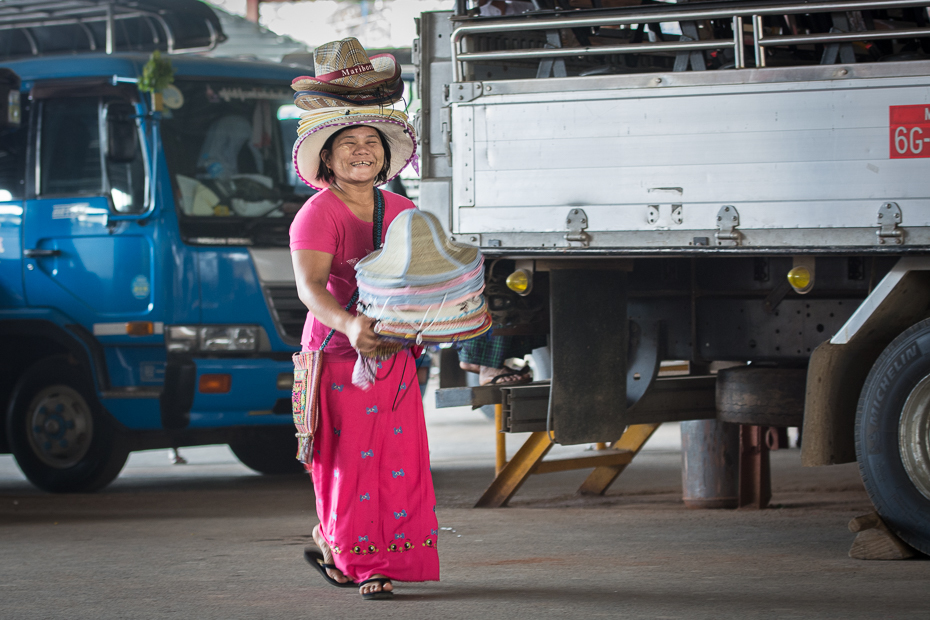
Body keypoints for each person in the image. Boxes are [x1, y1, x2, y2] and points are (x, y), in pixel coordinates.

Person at [289, 42, 438, 601]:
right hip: (338, 354)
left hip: (394, 355)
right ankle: (361, 563)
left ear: (385, 155)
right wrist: (352, 327)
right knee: (348, 466)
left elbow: (424, 281)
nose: (361, 151)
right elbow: (309, 289)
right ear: (327, 159)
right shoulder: (318, 213)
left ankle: (351, 546)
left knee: (398, 462)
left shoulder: (403, 211)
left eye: (371, 143)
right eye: (348, 143)